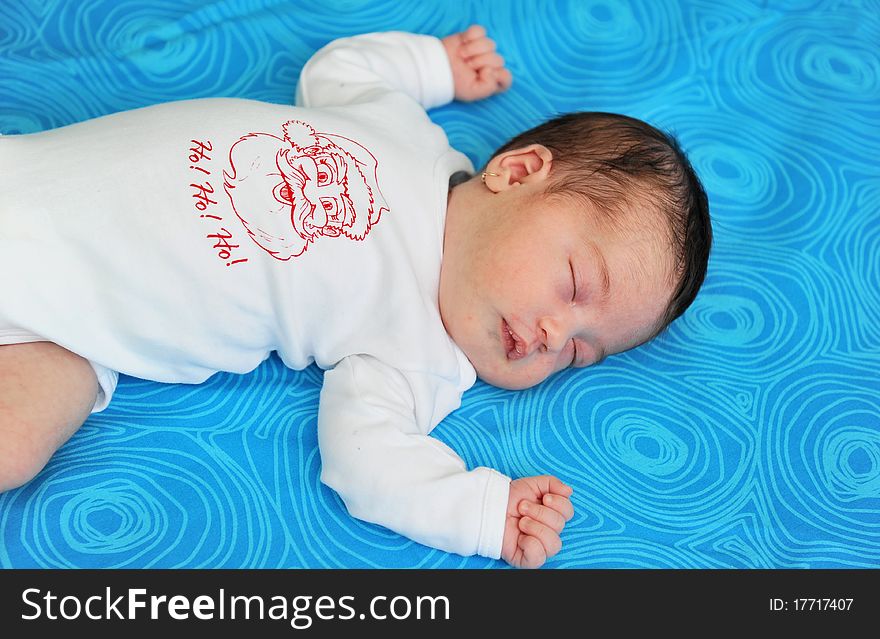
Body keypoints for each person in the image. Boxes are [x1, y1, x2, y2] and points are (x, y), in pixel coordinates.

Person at [0, 25, 711, 568]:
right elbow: (339, 69)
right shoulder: (409, 135)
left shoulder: (420, 356)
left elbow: (369, 464)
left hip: (71, 329)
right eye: (576, 285)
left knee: (15, 444)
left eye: (583, 352)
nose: (557, 334)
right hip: (23, 174)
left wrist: (482, 510)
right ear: (518, 172)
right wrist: (436, 65)